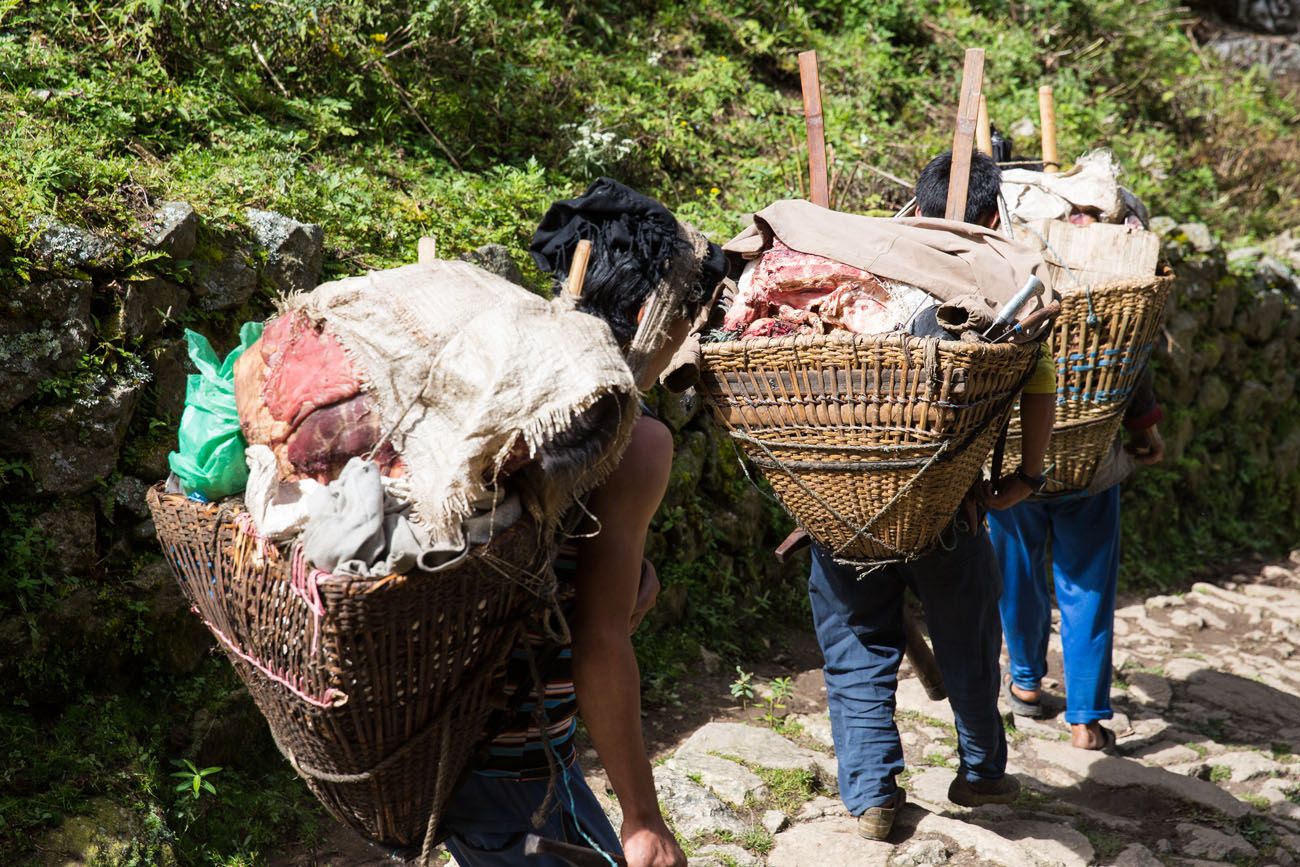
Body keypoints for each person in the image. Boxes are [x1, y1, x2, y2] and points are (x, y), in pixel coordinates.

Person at [437, 179, 725, 867]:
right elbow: (598, 641)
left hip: (439, 746)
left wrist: (637, 576)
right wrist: (644, 816)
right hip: (517, 765)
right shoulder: (634, 437)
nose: (689, 338)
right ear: (655, 310)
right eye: (689, 316)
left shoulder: (502, 375)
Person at [806, 149, 1056, 842]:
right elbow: (1038, 384)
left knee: (856, 638)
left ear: (916, 204)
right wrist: (1026, 477)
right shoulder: (1005, 284)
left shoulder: (855, 264)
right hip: (950, 503)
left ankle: (873, 795)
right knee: (968, 632)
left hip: (842, 500)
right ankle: (981, 771)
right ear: (986, 215)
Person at [990, 330, 1164, 750]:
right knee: (1088, 587)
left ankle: (1027, 685)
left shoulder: (998, 289)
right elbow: (1130, 355)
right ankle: (1085, 721)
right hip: (1090, 462)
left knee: (1015, 575)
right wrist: (1145, 430)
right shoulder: (1104, 296)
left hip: (1011, 458)